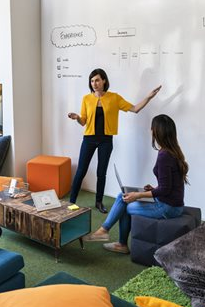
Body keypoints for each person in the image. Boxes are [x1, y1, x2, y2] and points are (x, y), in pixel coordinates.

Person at [85, 114, 189, 254]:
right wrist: (153, 189)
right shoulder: (172, 151)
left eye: (152, 128)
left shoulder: (165, 155)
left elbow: (165, 189)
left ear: (157, 131)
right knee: (122, 196)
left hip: (168, 208)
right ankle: (107, 233)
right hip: (171, 202)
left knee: (126, 205)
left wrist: (138, 195)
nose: (150, 131)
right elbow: (169, 186)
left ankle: (113, 238)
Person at [67, 68, 161, 213]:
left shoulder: (114, 98)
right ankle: (71, 202)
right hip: (89, 139)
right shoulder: (86, 99)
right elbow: (83, 122)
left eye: (97, 80)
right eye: (92, 81)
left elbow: (135, 109)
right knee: (81, 171)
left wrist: (149, 97)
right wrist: (77, 118)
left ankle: (99, 202)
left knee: (101, 172)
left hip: (106, 140)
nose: (94, 83)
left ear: (104, 80)